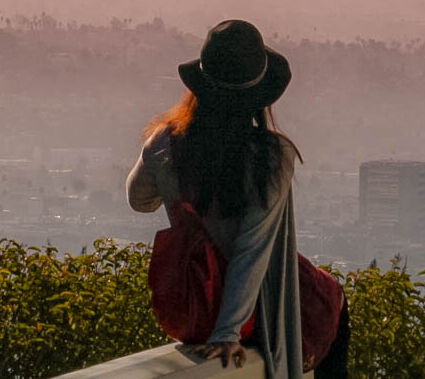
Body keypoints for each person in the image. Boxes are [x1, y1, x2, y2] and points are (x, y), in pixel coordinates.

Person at [127, 19, 349, 378]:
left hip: (192, 301)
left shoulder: (164, 142)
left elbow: (139, 200)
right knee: (331, 298)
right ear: (259, 95)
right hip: (253, 311)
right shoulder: (270, 157)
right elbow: (252, 249)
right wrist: (227, 331)